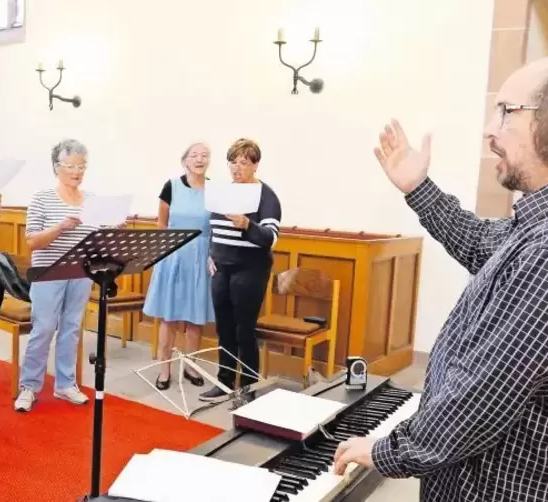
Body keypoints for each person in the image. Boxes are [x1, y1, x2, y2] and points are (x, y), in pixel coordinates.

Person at [333, 58, 548, 501]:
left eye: (506, 111)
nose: (490, 130)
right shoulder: (531, 230)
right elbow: (479, 242)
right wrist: (418, 188)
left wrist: (388, 450)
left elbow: (482, 395)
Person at [14, 139, 96, 412]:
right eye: (71, 165)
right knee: (45, 327)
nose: (77, 171)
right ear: (56, 167)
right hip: (48, 272)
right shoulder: (42, 198)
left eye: (81, 166)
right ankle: (28, 386)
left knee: (72, 327)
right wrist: (60, 227)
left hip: (81, 272)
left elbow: (97, 239)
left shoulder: (92, 200)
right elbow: (32, 241)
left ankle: (65, 384)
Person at [198, 138, 281, 403]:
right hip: (221, 269)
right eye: (232, 162)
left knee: (244, 330)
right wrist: (211, 254)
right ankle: (223, 383)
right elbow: (213, 228)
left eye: (243, 162)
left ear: (255, 165)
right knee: (224, 328)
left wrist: (247, 224)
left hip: (250, 270)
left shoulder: (266, 195)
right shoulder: (223, 191)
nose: (237, 168)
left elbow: (270, 237)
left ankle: (247, 388)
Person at [142, 143, 215, 389]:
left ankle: (191, 367)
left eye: (204, 155)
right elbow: (161, 224)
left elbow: (218, 227)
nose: (200, 159)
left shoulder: (215, 189)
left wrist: (213, 254)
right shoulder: (171, 186)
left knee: (196, 318)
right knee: (169, 317)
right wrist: (165, 253)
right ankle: (164, 370)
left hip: (202, 256)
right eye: (194, 155)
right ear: (185, 161)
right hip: (173, 256)